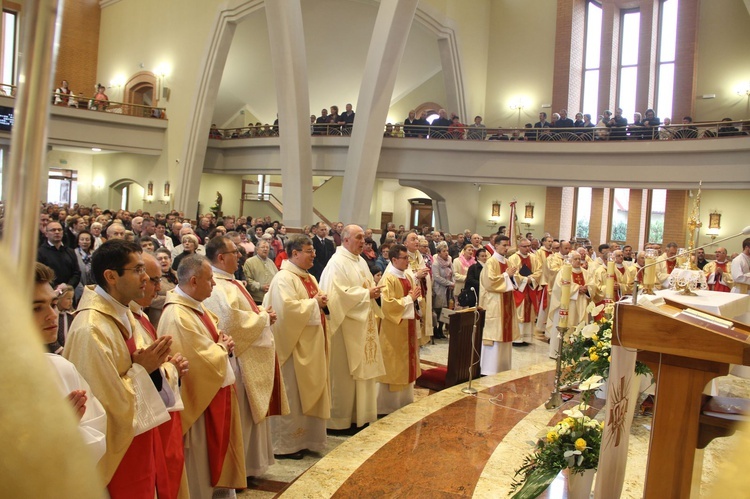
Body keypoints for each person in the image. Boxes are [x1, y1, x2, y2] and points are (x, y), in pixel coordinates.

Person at [63, 239, 174, 497]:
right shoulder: (91, 328)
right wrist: (143, 371)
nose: (145, 277)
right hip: (116, 450)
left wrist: (158, 368)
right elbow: (104, 406)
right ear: (111, 276)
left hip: (139, 437)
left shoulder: (123, 313)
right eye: (137, 270)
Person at [157, 254, 246, 498]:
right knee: (199, 466)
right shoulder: (177, 315)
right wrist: (222, 348)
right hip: (199, 406)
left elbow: (212, 340)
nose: (214, 284)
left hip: (213, 396)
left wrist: (222, 342)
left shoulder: (194, 307)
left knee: (212, 463)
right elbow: (197, 361)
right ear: (194, 281)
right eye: (210, 280)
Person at [203, 236, 289, 482]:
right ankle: (240, 468)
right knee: (242, 415)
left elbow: (242, 313)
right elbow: (228, 321)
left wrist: (261, 311)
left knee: (250, 416)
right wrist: (263, 318)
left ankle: (251, 466)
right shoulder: (216, 285)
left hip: (248, 357)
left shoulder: (230, 281)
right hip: (237, 361)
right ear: (221, 257)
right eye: (234, 252)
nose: (240, 256)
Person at [263, 235, 331, 458]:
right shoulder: (283, 278)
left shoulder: (309, 277)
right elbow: (285, 311)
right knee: (292, 393)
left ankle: (308, 438)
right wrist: (315, 304)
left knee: (309, 392)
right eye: (309, 251)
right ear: (294, 253)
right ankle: (286, 445)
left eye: (313, 250)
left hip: (311, 345)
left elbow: (314, 303)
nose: (314, 255)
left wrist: (320, 302)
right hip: (292, 348)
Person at [33, 263, 107, 462]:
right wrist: (55, 430)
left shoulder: (62, 368)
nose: (52, 315)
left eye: (53, 304)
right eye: (37, 308)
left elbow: (97, 436)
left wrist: (66, 431)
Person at [129, 253, 189, 499]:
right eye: (152, 279)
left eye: (154, 279)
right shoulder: (98, 325)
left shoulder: (138, 315)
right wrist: (169, 369)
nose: (153, 285)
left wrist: (171, 366)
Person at [319, 225, 385, 432]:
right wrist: (366, 294)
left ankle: (359, 416)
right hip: (344, 329)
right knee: (344, 375)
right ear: (345, 239)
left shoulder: (360, 261)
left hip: (361, 325)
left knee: (361, 373)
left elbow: (363, 288)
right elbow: (336, 294)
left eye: (364, 238)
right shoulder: (336, 263)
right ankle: (339, 420)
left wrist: (370, 292)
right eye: (358, 238)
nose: (363, 242)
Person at [377, 244, 422, 414]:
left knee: (405, 363)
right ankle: (387, 405)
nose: (408, 261)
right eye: (404, 258)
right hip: (393, 330)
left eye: (408, 258)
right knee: (393, 364)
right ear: (394, 259)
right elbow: (387, 306)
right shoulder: (388, 279)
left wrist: (416, 300)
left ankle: (404, 400)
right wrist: (409, 299)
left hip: (407, 327)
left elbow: (414, 298)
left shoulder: (408, 277)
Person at [479, 235, 524, 374]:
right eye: (504, 245)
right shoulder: (491, 262)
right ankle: (489, 369)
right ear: (496, 245)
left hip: (506, 302)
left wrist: (513, 276)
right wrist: (506, 275)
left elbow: (514, 279)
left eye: (507, 245)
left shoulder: (507, 261)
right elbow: (489, 282)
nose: (506, 248)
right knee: (495, 335)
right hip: (495, 303)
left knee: (505, 336)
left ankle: (503, 368)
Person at [546, 252, 599, 359]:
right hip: (567, 304)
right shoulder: (563, 271)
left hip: (581, 303)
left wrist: (587, 288)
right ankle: (558, 352)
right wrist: (577, 288)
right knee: (565, 326)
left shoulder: (585, 272)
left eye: (580, 259)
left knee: (579, 327)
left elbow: (592, 284)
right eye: (575, 259)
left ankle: (575, 353)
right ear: (570, 260)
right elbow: (559, 287)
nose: (578, 261)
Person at [507, 238, 542, 346]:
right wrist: (526, 279)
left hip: (530, 290)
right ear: (519, 247)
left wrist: (531, 279)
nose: (528, 248)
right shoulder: (513, 258)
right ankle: (517, 338)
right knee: (519, 313)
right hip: (519, 291)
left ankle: (527, 338)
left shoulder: (534, 257)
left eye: (529, 246)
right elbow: (513, 273)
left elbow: (539, 271)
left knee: (529, 313)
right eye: (525, 246)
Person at [404, 232, 433, 344]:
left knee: (422, 318)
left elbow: (422, 270)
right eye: (413, 239)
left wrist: (424, 275)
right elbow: (402, 275)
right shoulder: (401, 255)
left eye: (417, 239)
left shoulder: (418, 255)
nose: (416, 241)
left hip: (421, 291)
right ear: (405, 243)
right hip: (410, 295)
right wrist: (416, 275)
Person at [37, 221, 81, 290]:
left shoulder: (70, 251)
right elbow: (41, 275)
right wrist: (58, 288)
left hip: (69, 292)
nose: (57, 232)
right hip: (50, 292)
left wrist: (68, 286)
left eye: (59, 230)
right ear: (46, 234)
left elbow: (76, 273)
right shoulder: (40, 252)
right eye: (53, 230)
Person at [243, 239, 278, 305]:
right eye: (263, 247)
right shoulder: (249, 262)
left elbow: (277, 277)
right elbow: (247, 279)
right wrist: (260, 286)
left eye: (267, 247)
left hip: (270, 298)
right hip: (257, 298)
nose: (265, 249)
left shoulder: (271, 262)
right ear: (257, 249)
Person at [431, 241, 454, 338]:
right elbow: (437, 277)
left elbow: (453, 273)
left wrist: (453, 282)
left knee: (445, 310)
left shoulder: (449, 260)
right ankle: (436, 330)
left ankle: (441, 328)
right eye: (444, 251)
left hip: (449, 289)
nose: (446, 253)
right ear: (439, 253)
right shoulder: (435, 263)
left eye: (447, 250)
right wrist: (449, 283)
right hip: (439, 289)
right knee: (438, 309)